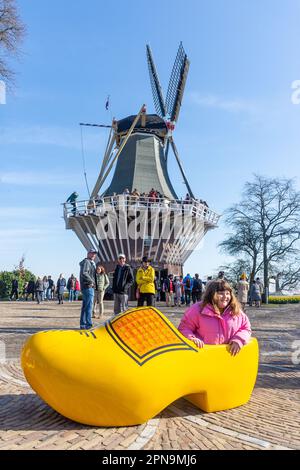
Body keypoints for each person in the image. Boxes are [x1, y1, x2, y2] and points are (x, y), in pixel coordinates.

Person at [178, 279, 251, 356]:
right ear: (211, 294)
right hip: (204, 356)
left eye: (227, 293)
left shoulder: (235, 310)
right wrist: (192, 338)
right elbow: (184, 328)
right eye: (220, 293)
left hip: (229, 358)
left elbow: (246, 328)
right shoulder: (198, 309)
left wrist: (238, 340)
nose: (225, 296)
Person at [79, 249, 97, 329]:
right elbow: (84, 272)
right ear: (88, 254)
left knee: (85, 306)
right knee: (89, 306)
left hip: (85, 287)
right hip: (88, 286)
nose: (93, 255)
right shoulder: (87, 262)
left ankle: (83, 324)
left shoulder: (89, 262)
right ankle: (88, 325)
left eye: (94, 254)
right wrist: (92, 281)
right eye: (92, 253)